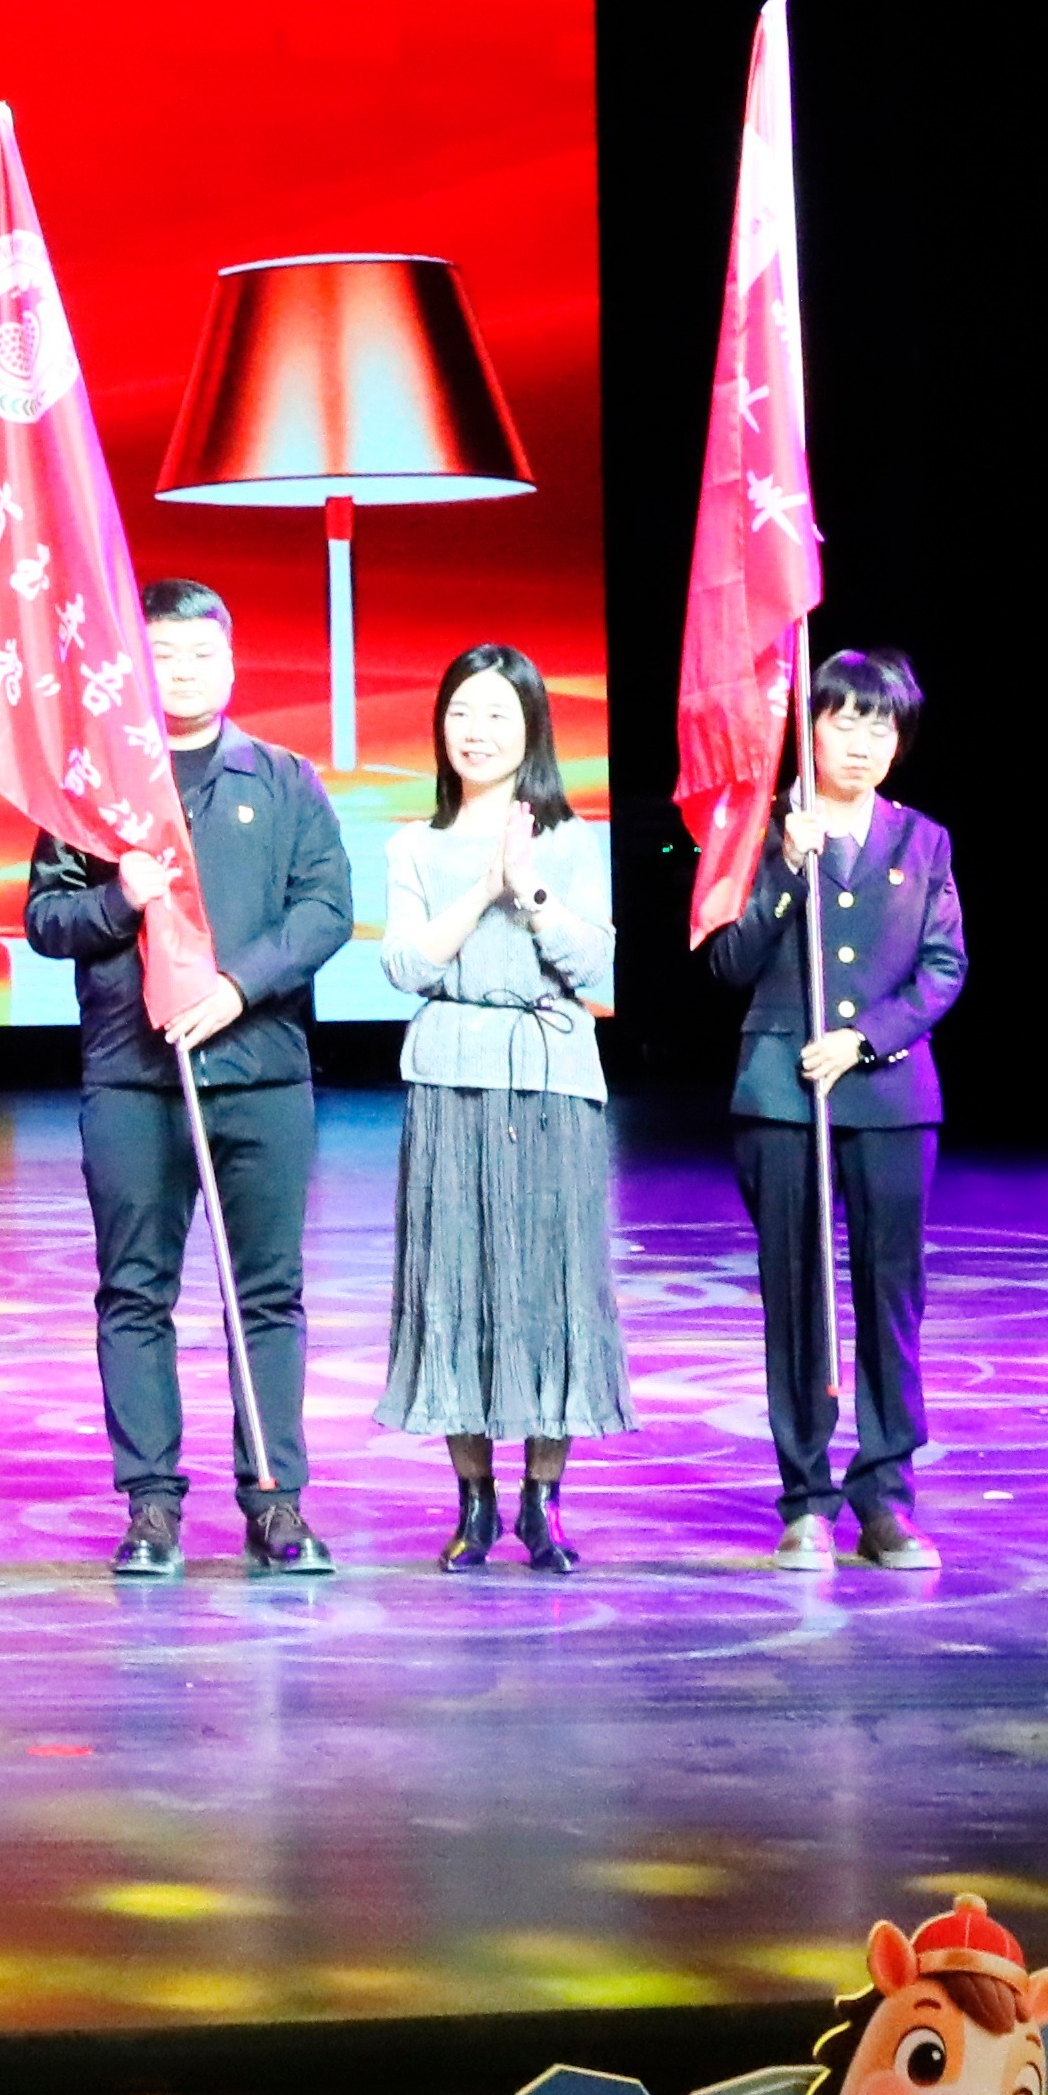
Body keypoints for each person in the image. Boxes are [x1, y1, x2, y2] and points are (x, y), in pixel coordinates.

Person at [27, 579, 354, 1580]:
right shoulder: (92, 792)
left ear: (231, 661)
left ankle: (275, 1499)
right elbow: (46, 921)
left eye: (202, 654)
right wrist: (119, 898)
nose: (184, 672)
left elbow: (325, 908)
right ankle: (151, 1505)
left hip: (260, 1075)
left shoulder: (284, 779)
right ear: (134, 668)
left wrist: (236, 986)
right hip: (132, 1078)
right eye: (162, 656)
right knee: (134, 1292)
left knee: (267, 1294)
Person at [698, 650, 966, 1568]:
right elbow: (728, 959)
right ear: (808, 728)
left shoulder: (923, 841)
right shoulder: (761, 829)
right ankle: (806, 1497)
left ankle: (885, 1495)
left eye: (880, 725)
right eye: (843, 721)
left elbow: (943, 967)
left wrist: (865, 1038)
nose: (861, 741)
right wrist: (784, 868)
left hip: (889, 1098)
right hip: (782, 1095)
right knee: (797, 1298)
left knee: (891, 1299)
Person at [374, 644, 626, 1576]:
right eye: (460, 713)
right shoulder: (413, 844)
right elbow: (405, 964)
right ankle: (473, 1500)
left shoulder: (574, 839)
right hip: (450, 1071)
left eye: (496, 715)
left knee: (552, 1284)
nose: (475, 731)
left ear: (532, 730)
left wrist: (532, 892)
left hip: (554, 1073)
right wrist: (482, 886)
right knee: (455, 1280)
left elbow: (596, 963)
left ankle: (543, 1501)